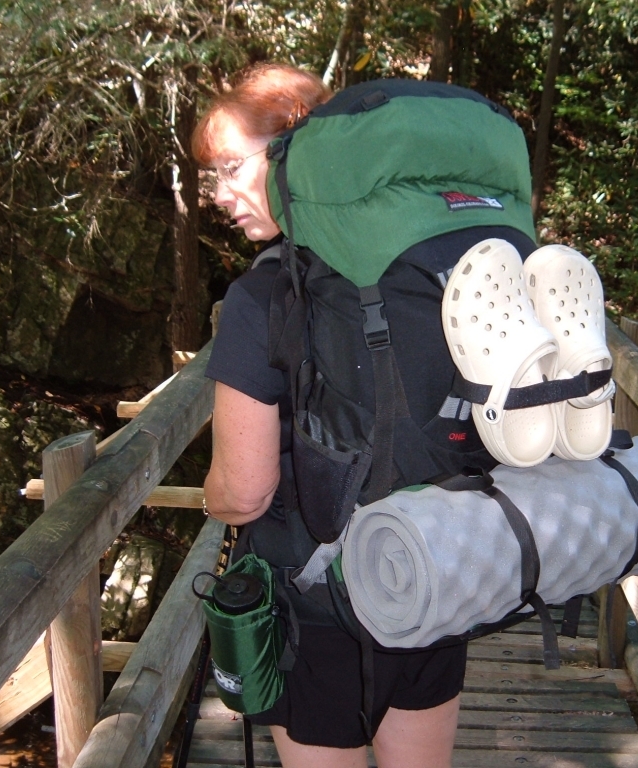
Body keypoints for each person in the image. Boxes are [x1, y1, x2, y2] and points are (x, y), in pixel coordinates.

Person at [193, 64, 476, 768]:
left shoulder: (261, 301)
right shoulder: (419, 275)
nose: (219, 195)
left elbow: (245, 491)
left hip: (315, 605)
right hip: (430, 576)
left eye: (231, 168)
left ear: (293, 151)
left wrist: (210, 495)